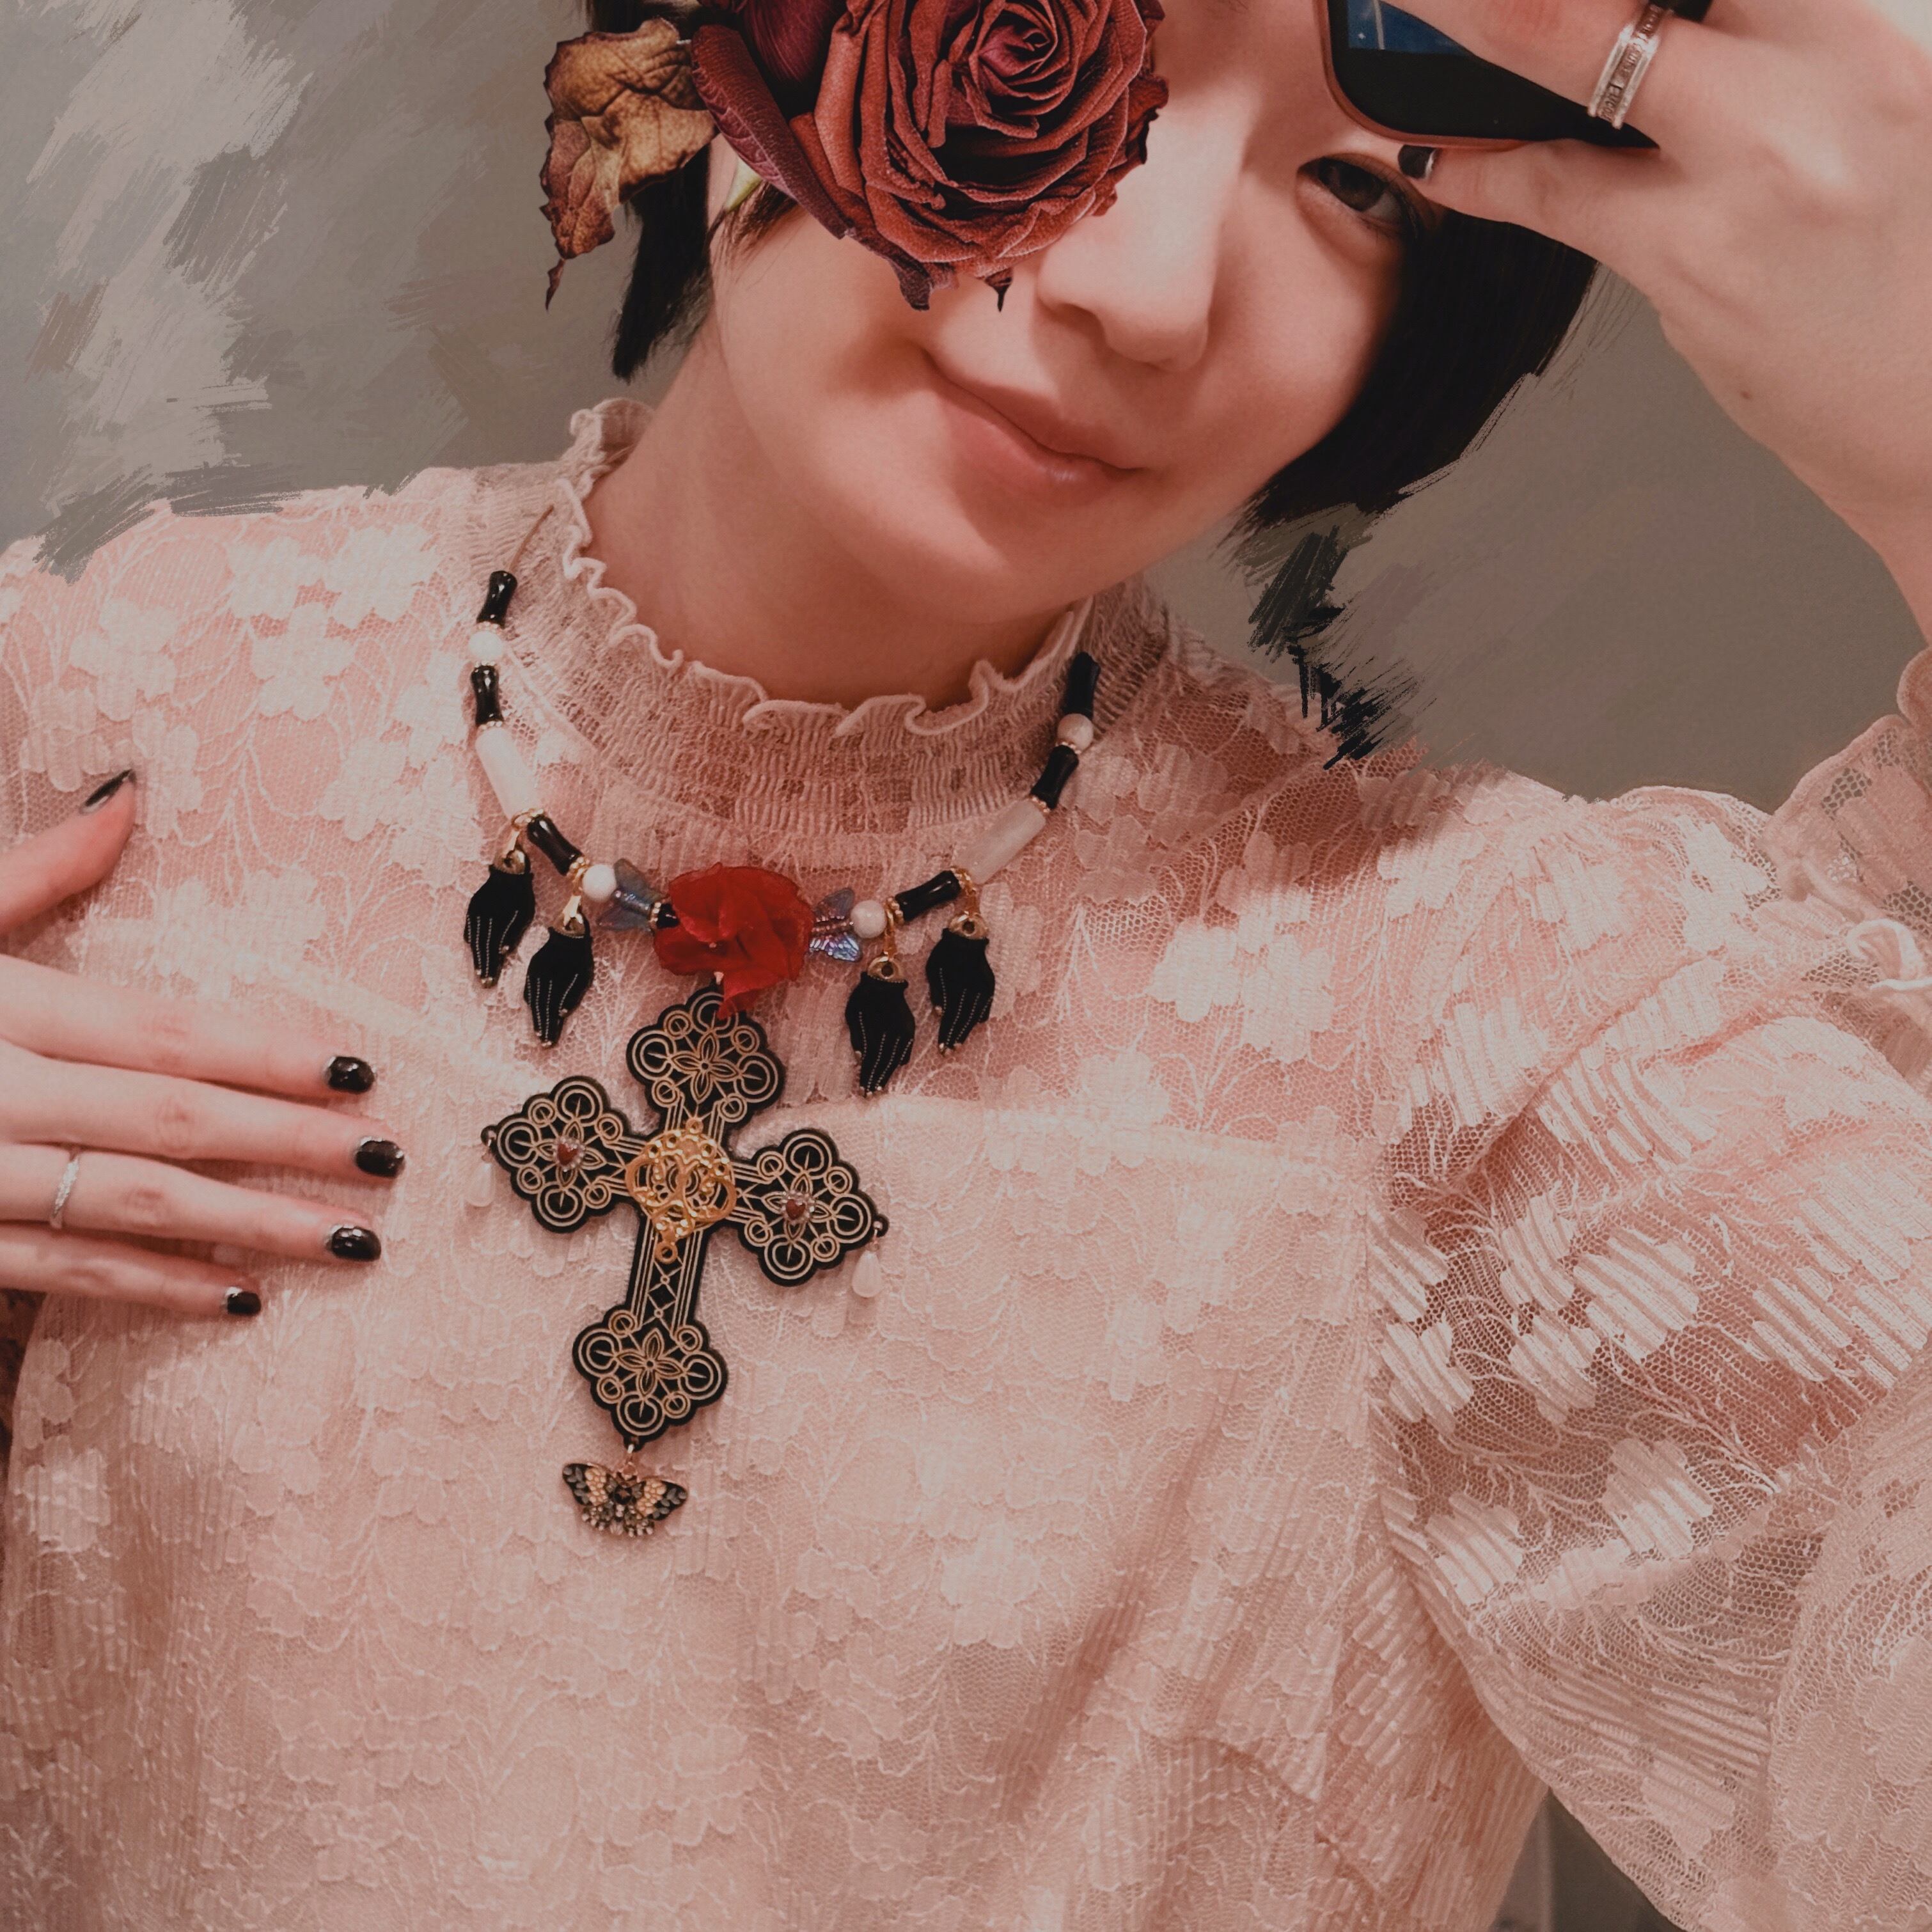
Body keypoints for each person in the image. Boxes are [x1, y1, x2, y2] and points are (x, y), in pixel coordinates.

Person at [1, 0, 1928, 1925]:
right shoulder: (108, 722)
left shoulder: (1482, 1017)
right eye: (1066, 46)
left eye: (1364, 182)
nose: (1149, 296)